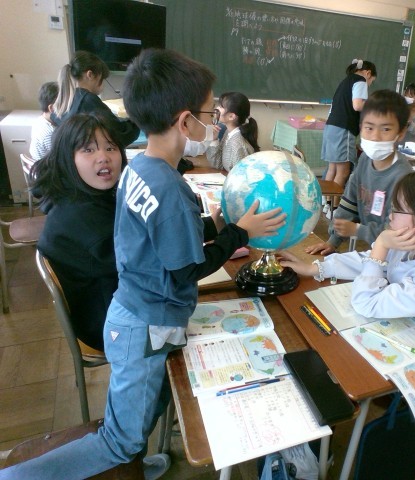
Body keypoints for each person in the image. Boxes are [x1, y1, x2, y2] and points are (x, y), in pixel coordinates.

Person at [0, 48, 286, 480]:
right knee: (118, 439)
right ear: (185, 121)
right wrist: (238, 233)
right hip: (144, 326)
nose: (212, 123)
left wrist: (213, 224)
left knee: (151, 398)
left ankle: (135, 455)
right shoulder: (170, 189)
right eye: (208, 113)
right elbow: (187, 269)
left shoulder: (139, 169)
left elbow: (160, 235)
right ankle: (20, 476)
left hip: (136, 314)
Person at [280, 170, 415, 353]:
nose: (390, 216)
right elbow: (368, 261)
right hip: (413, 330)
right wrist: (315, 268)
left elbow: (366, 303)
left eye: (397, 210)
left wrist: (381, 244)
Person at [33, 113, 124, 352]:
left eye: (110, 147)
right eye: (88, 150)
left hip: (105, 304)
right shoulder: (82, 216)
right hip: (109, 326)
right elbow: (141, 262)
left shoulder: (78, 194)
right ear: (67, 158)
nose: (103, 157)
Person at [306, 89, 413, 256]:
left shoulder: (403, 177)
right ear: (360, 127)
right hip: (377, 250)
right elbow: (350, 201)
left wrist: (357, 230)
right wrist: (333, 241)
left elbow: (396, 233)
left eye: (385, 129)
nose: (375, 136)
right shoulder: (365, 159)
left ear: (401, 133)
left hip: (398, 255)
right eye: (369, 128)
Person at [51, 50, 140, 147]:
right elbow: (119, 135)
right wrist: (137, 120)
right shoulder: (88, 100)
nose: (103, 84)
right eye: (103, 78)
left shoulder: (65, 101)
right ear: (90, 75)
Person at [321, 58, 376, 187]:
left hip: (331, 127)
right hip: (343, 129)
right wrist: (374, 104)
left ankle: (325, 199)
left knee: (332, 169)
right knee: (343, 172)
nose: (369, 84)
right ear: (368, 73)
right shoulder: (360, 80)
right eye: (372, 81)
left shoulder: (345, 81)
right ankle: (334, 201)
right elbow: (357, 105)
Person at [205, 91, 259, 171]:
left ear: (231, 116)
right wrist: (214, 140)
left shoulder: (238, 145)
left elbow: (239, 175)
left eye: (221, 106)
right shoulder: (228, 132)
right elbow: (217, 164)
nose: (217, 108)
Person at [29, 81, 59, 161]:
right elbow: (59, 159)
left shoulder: (40, 120)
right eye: (64, 105)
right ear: (52, 108)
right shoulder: (50, 134)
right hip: (47, 167)